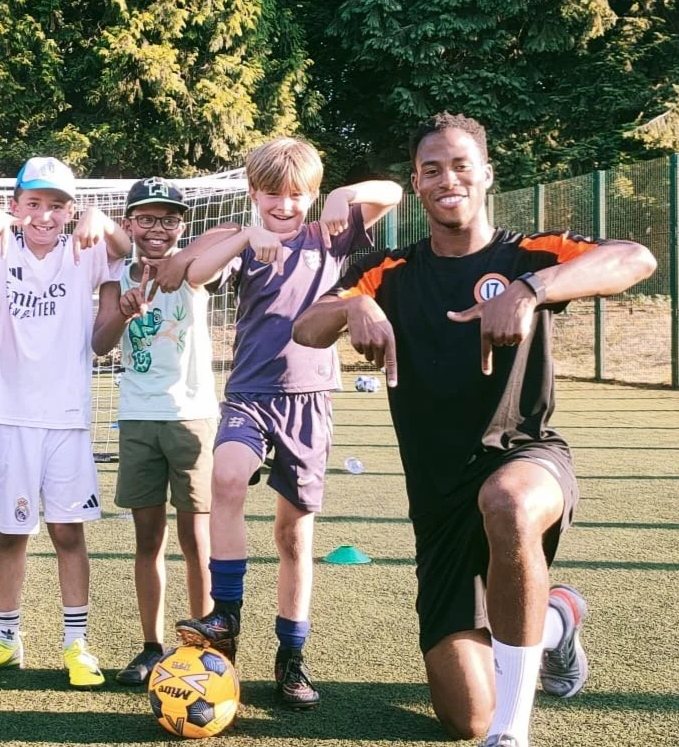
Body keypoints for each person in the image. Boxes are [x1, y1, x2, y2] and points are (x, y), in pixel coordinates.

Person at [292, 113, 656, 746]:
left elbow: (635, 257)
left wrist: (530, 289)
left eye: (461, 165)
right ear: (417, 182)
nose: (447, 179)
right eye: (431, 170)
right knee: (465, 719)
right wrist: (354, 305)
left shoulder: (528, 255)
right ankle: (555, 621)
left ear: (487, 173)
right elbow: (306, 328)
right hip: (438, 506)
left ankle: (512, 734)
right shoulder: (388, 270)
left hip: (526, 458)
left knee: (509, 503)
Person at [172, 137, 403, 708]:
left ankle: (291, 656)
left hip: (309, 397)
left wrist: (347, 193)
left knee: (293, 535)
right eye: (272, 194)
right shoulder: (246, 241)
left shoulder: (334, 231)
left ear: (313, 194)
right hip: (249, 393)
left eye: (297, 194)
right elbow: (194, 274)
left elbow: (394, 192)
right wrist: (247, 237)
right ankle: (225, 615)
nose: (284, 205)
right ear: (253, 193)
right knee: (225, 478)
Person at [0, 156, 130, 689]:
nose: (45, 216)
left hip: (66, 419)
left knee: (69, 534)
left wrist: (102, 218)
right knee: (12, 533)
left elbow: (124, 249)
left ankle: (76, 643)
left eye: (57, 206)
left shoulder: (84, 250)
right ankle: (4, 640)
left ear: (70, 211)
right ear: (16, 205)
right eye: (34, 204)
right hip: (6, 415)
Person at [91, 177, 219, 685]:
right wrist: (122, 315)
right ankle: (152, 646)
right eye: (146, 218)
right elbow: (101, 344)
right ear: (130, 224)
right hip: (140, 418)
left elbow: (229, 233)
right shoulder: (114, 276)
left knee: (197, 539)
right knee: (149, 539)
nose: (157, 228)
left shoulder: (192, 267)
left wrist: (182, 254)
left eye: (168, 218)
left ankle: (206, 645)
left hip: (192, 417)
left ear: (181, 225)